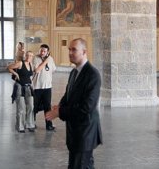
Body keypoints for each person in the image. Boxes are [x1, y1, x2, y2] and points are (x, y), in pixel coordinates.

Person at [46, 38, 102, 169]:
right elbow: (68, 95)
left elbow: (87, 108)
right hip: (76, 132)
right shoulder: (74, 72)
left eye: (74, 50)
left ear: (84, 51)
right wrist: (60, 106)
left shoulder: (92, 74)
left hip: (85, 132)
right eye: (69, 49)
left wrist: (59, 112)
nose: (70, 52)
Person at [8, 50, 36, 133]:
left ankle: (30, 124)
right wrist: (16, 74)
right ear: (25, 56)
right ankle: (20, 126)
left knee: (31, 106)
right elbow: (9, 67)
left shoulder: (31, 64)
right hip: (19, 87)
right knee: (20, 108)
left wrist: (32, 86)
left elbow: (30, 76)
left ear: (32, 57)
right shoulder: (20, 63)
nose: (29, 57)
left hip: (28, 87)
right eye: (27, 55)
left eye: (30, 56)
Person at [32, 44, 58, 131]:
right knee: (34, 106)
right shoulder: (35, 58)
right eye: (41, 50)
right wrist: (45, 61)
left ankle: (49, 125)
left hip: (47, 87)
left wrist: (48, 61)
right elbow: (37, 70)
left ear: (48, 52)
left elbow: (53, 69)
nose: (42, 52)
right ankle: (31, 123)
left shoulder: (50, 59)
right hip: (37, 87)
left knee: (47, 106)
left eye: (44, 51)